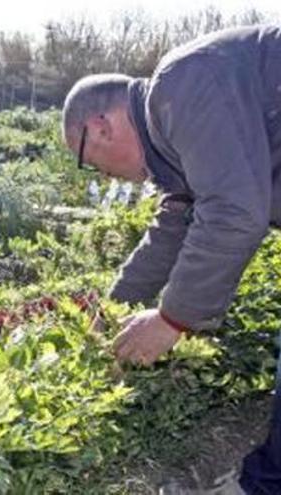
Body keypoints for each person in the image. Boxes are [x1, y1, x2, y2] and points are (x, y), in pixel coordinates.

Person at [62, 25, 281, 495]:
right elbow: (175, 221)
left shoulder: (182, 84)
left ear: (99, 128)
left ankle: (263, 485)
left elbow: (233, 212)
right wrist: (115, 308)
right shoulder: (172, 137)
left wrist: (171, 319)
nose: (101, 174)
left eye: (91, 163)